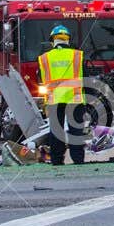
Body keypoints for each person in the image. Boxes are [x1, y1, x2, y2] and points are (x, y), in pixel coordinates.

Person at [37, 24, 87, 165]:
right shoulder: (78, 55)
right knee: (76, 130)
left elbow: (41, 79)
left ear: (52, 40)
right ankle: (78, 160)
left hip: (54, 99)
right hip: (75, 97)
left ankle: (56, 160)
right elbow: (86, 77)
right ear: (68, 40)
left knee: (56, 130)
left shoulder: (44, 58)